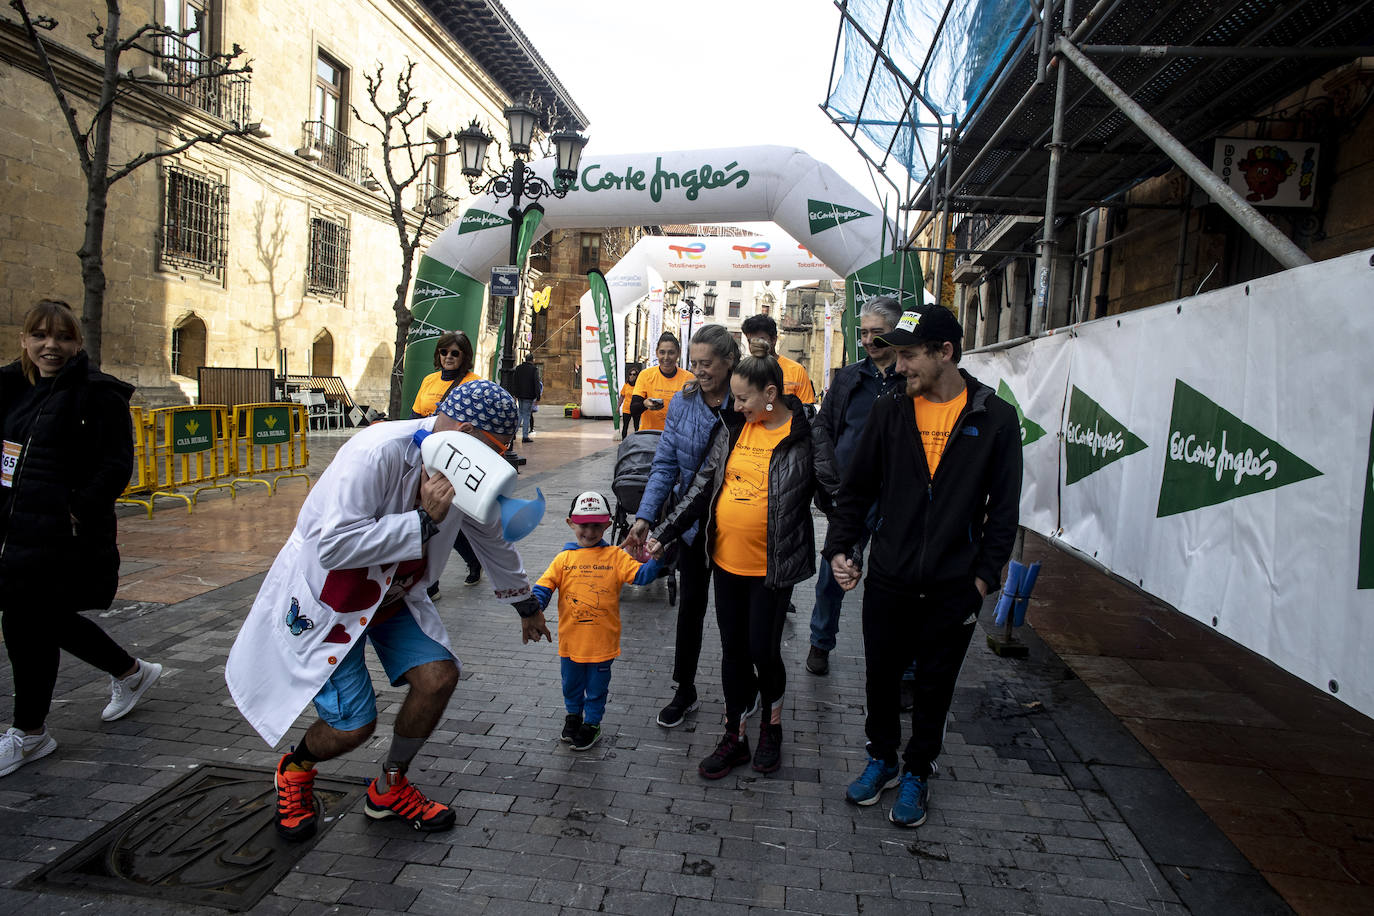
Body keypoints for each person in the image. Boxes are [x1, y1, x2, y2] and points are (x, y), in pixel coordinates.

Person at [226, 379, 552, 841]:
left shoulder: (466, 469)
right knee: (353, 725)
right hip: (333, 602)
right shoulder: (376, 452)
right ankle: (295, 770)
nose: (496, 464)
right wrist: (421, 521)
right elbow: (333, 546)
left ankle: (389, 785)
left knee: (438, 678)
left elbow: (492, 537)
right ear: (462, 432)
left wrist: (525, 604)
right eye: (494, 452)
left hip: (396, 596)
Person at [824, 305, 1021, 827]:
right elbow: (858, 487)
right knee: (881, 677)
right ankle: (882, 759)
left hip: (954, 585)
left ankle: (917, 769)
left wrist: (981, 579)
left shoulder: (994, 417)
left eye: (909, 354)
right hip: (890, 574)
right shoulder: (891, 409)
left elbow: (1004, 511)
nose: (899, 364)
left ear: (945, 353)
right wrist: (842, 548)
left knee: (936, 683)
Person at [0, 300, 162, 778]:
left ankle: (29, 734)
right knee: (40, 617)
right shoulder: (9, 386)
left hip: (61, 535)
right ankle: (131, 672)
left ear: (77, 343)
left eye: (63, 337)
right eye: (40, 335)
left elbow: (116, 465)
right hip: (14, 528)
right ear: (25, 339)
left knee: (26, 620)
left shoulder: (97, 394)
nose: (51, 346)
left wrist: (75, 510)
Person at [646, 340, 815, 779]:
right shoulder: (734, 429)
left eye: (742, 399)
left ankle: (771, 729)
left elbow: (837, 493)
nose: (735, 407)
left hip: (772, 566)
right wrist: (662, 533)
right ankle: (734, 734)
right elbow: (702, 486)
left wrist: (847, 547)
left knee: (763, 649)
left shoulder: (803, 434)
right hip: (726, 561)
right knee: (734, 652)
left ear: (770, 394)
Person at [622, 325, 739, 729]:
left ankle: (743, 689)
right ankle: (684, 689)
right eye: (695, 363)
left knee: (732, 617)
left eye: (707, 364)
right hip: (691, 526)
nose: (698, 371)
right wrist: (644, 517)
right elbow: (665, 464)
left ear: (729, 362)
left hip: (735, 527)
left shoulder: (744, 402)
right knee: (690, 609)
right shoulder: (685, 401)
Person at [806, 297, 904, 676]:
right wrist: (831, 484)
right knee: (834, 569)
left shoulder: (910, 379)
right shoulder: (847, 378)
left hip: (896, 497)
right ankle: (820, 642)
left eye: (876, 333)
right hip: (848, 494)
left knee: (892, 580)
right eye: (862, 333)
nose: (866, 341)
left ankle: (900, 666)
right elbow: (823, 432)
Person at [532, 491, 661, 751]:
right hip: (571, 643)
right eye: (583, 525)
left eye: (596, 525)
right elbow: (543, 587)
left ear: (607, 525)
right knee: (571, 685)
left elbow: (642, 577)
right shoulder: (563, 559)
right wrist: (532, 609)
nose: (589, 531)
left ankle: (591, 723)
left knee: (596, 688)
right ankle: (573, 716)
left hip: (602, 645)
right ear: (570, 523)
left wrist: (657, 559)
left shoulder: (615, 557)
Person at [410, 331, 483, 591]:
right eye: (444, 352)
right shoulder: (429, 381)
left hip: (453, 457)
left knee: (444, 515)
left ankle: (432, 583)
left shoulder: (473, 383)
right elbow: (415, 415)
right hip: (425, 454)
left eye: (455, 353)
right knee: (435, 514)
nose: (448, 357)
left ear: (464, 356)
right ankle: (468, 561)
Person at [740, 314, 816, 406]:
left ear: (774, 340)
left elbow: (807, 410)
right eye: (750, 341)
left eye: (760, 340)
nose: (755, 345)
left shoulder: (796, 371)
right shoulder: (743, 372)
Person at [631, 333, 694, 432]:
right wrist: (645, 404)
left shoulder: (689, 378)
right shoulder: (645, 375)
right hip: (650, 436)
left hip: (677, 437)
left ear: (678, 353)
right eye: (662, 352)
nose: (666, 357)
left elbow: (694, 412)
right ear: (656, 353)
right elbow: (633, 409)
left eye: (671, 352)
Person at [510, 354, 541, 443]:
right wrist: (538, 396)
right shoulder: (534, 370)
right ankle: (525, 436)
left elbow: (514, 381)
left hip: (520, 395)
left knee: (520, 413)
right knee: (526, 415)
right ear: (532, 360)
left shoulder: (518, 368)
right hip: (529, 396)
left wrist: (515, 393)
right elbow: (536, 383)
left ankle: (513, 434)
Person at [618, 364, 641, 440]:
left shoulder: (639, 386)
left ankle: (636, 441)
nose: (632, 376)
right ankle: (623, 441)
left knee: (636, 426)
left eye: (634, 374)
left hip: (636, 409)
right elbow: (622, 396)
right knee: (625, 426)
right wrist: (618, 407)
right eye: (630, 374)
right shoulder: (626, 385)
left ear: (637, 376)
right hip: (626, 409)